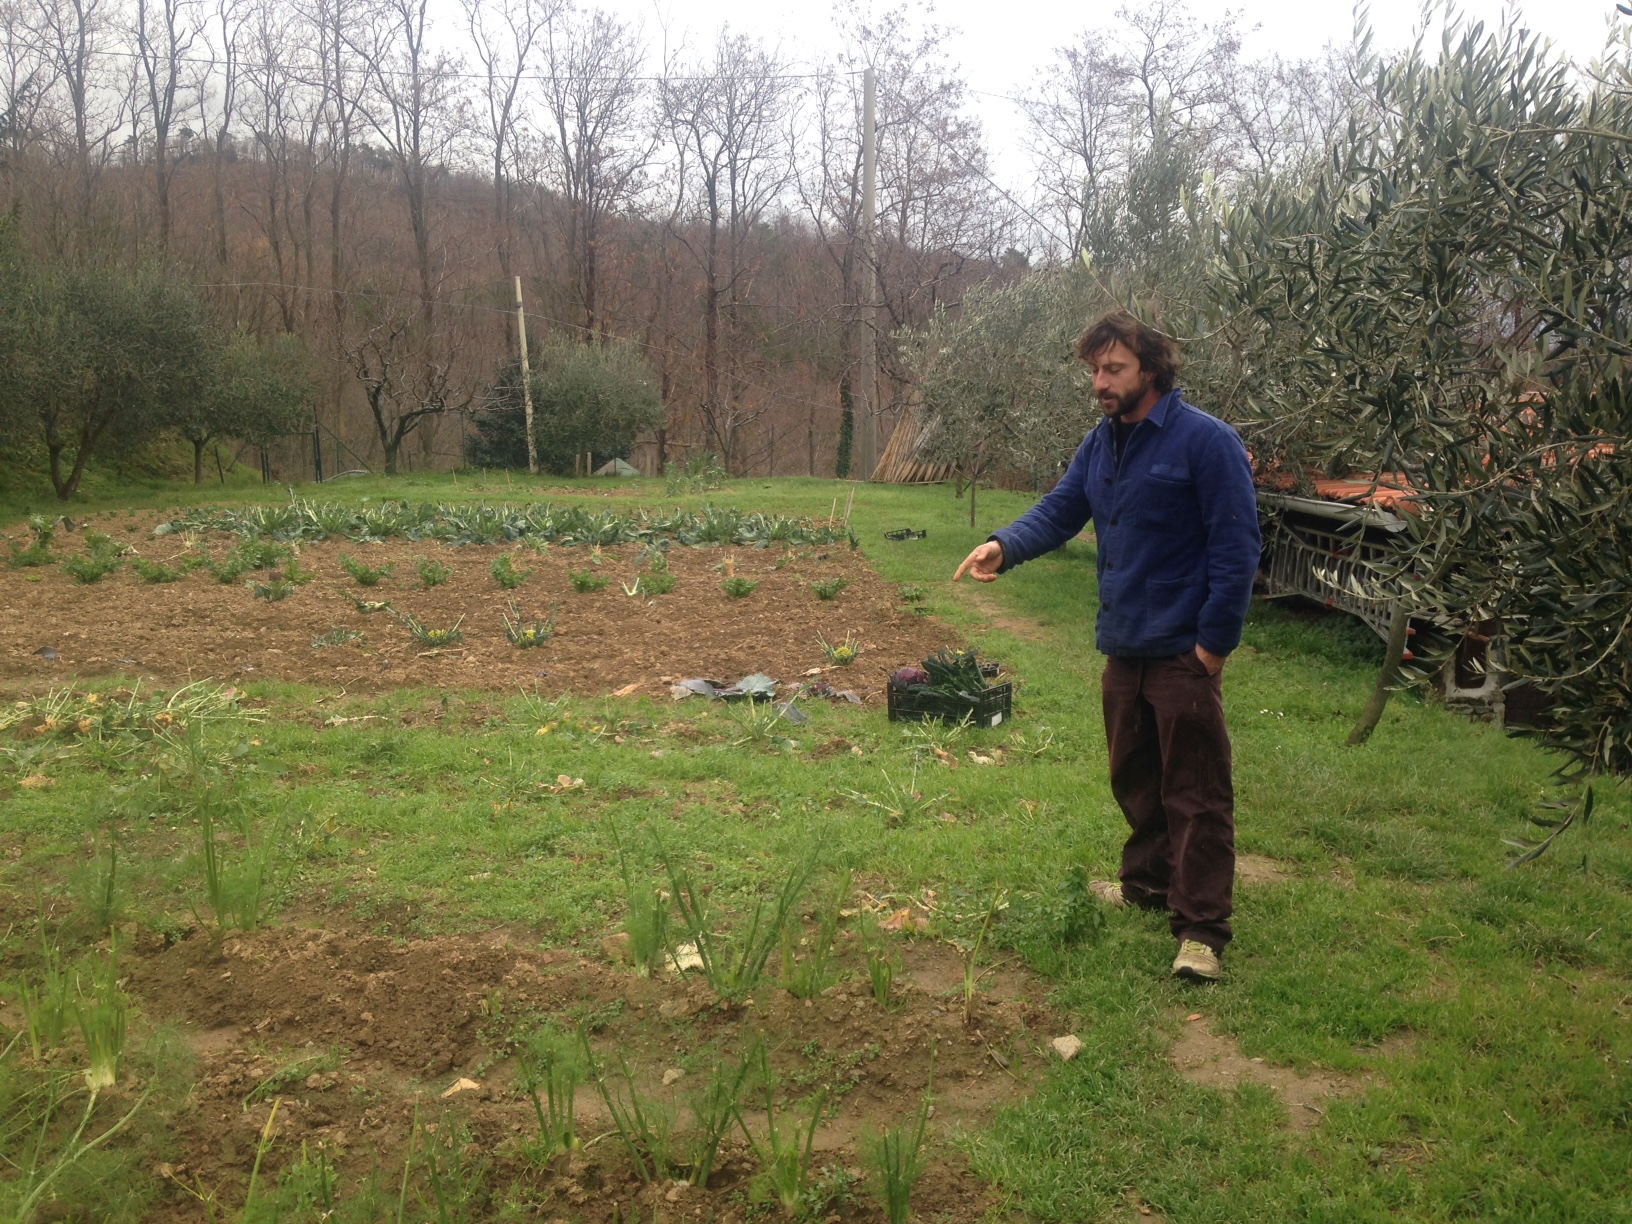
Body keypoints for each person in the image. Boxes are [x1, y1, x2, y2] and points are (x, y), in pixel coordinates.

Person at [952, 311, 1260, 981]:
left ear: (1150, 368)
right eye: (1095, 369)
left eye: (1113, 368)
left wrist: (1213, 647)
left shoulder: (1205, 442)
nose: (1100, 381)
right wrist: (1005, 545)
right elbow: (1063, 508)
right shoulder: (1102, 443)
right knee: (1136, 780)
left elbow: (1238, 548)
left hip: (1183, 649)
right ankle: (1147, 887)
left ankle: (1202, 930)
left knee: (1196, 792)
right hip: (1125, 647)